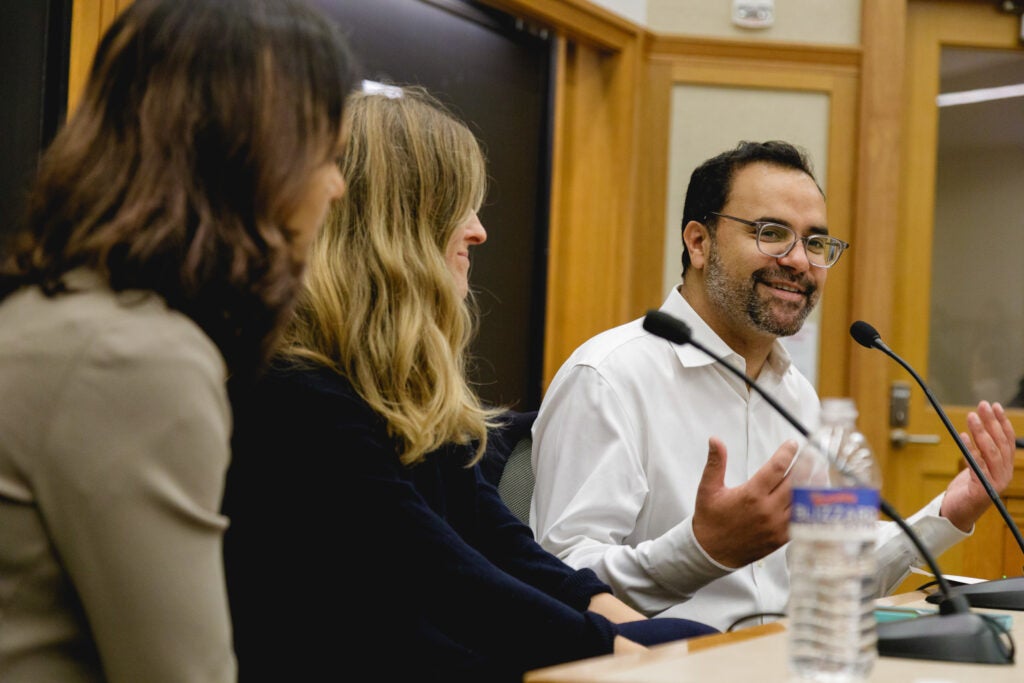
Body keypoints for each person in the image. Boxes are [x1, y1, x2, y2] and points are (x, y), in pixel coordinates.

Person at [221, 85, 717, 682]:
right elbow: (445, 577)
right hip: (369, 659)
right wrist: (622, 654)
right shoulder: (297, 393)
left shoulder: (403, 387)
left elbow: (496, 537)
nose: (479, 232)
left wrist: (613, 618)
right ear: (396, 222)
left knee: (686, 640)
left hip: (436, 643)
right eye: (460, 207)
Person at [0, 1, 356, 681]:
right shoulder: (136, 358)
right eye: (327, 155)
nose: (337, 186)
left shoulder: (67, 312)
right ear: (246, 154)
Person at [530, 140, 1017, 634]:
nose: (800, 261)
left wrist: (948, 513)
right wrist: (703, 552)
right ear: (699, 243)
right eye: (771, 233)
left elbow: (829, 572)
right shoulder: (609, 376)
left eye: (815, 242)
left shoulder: (793, 393)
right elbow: (559, 579)